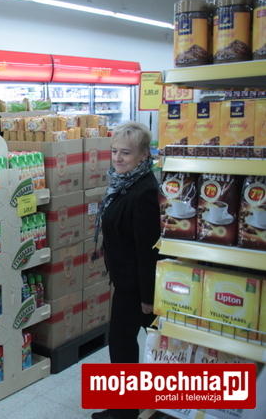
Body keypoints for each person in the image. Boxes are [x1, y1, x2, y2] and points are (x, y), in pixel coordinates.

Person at [91, 121, 161, 419]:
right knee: (130, 344)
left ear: (144, 155)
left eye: (126, 153)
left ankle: (124, 412)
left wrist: (148, 297)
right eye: (114, 151)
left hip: (136, 286)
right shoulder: (125, 183)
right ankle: (126, 407)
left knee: (121, 344)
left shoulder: (144, 192)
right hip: (126, 279)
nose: (118, 158)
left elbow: (148, 249)